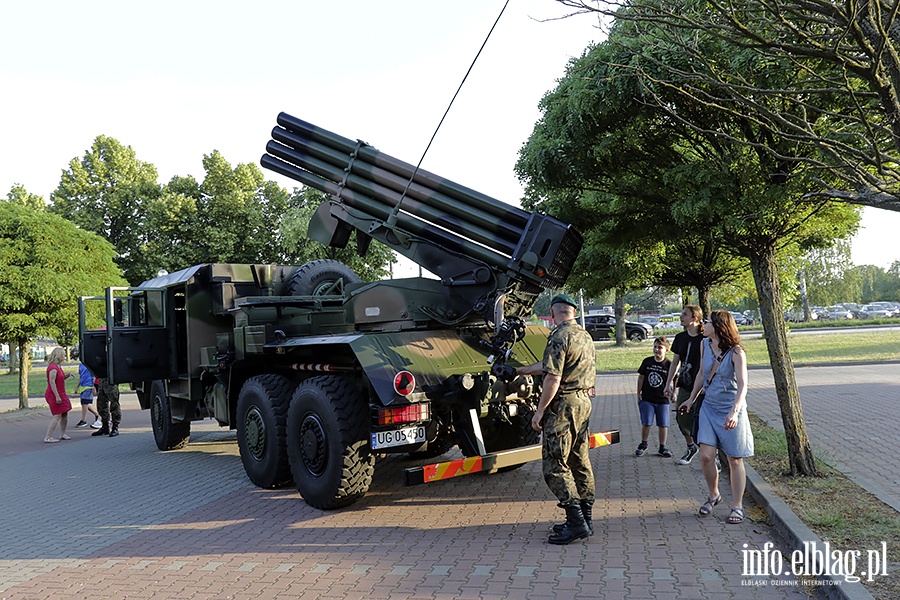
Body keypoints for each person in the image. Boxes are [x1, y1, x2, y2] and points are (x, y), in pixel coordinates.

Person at [516, 293, 596, 545]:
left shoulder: (558, 336)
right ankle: (586, 518)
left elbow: (553, 378)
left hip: (564, 406)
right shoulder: (584, 335)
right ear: (573, 312)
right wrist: (523, 370)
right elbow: (556, 366)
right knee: (579, 459)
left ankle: (575, 523)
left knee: (555, 463)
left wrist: (539, 411)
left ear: (553, 314)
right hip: (583, 402)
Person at [679, 309, 754, 525]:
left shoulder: (737, 352)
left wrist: (734, 412)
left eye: (708, 322)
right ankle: (714, 495)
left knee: (734, 458)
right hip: (709, 408)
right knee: (705, 456)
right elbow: (702, 374)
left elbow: (742, 385)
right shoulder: (704, 345)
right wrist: (691, 399)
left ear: (719, 326)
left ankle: (737, 505)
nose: (704, 325)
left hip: (731, 409)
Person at [664, 305, 704, 465]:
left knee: (702, 421)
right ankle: (691, 446)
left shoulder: (704, 338)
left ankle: (712, 456)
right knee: (682, 418)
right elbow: (675, 363)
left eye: (685, 314)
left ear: (694, 318)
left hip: (702, 388)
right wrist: (668, 384)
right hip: (686, 386)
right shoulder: (680, 338)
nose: (681, 317)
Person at [635, 336, 672, 457]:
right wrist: (639, 393)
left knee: (663, 424)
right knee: (647, 422)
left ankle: (662, 446)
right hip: (647, 398)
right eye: (655, 347)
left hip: (662, 399)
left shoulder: (669, 365)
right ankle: (643, 443)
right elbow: (641, 377)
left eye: (660, 347)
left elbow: (675, 380)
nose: (656, 350)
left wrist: (674, 393)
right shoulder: (647, 362)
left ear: (666, 350)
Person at [44, 347, 73, 443]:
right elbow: (52, 382)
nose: (64, 357)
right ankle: (48, 437)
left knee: (65, 413)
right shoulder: (53, 368)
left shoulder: (58, 367)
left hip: (61, 393)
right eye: (63, 355)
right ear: (59, 356)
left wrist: (67, 375)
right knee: (57, 415)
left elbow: (59, 379)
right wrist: (57, 396)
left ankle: (62, 433)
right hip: (54, 394)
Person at [73, 362, 102, 429]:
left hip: (89, 385)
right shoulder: (81, 365)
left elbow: (94, 376)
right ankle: (96, 414)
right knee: (84, 403)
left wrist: (93, 386)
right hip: (83, 386)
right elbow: (81, 377)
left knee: (85, 402)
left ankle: (84, 420)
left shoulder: (90, 364)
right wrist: (77, 387)